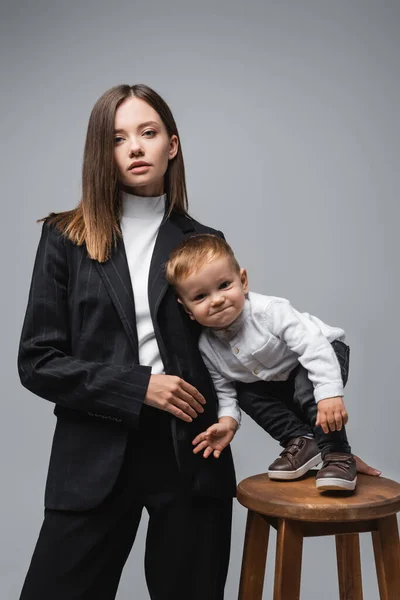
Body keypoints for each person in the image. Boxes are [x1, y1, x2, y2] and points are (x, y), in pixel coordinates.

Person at [17, 84, 237, 600]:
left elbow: (242, 353)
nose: (136, 147)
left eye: (148, 132)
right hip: (93, 453)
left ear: (172, 146)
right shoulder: (65, 238)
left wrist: (322, 438)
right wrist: (139, 387)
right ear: (104, 152)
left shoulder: (203, 242)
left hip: (191, 453)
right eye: (118, 138)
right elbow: (38, 361)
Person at [165, 233, 380, 492]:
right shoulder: (207, 347)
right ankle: (301, 439)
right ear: (187, 309)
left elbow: (313, 347)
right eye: (200, 297)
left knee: (308, 389)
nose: (217, 299)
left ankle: (337, 455)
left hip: (323, 353)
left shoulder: (269, 312)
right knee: (247, 393)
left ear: (242, 281)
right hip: (278, 378)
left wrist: (329, 394)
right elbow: (226, 391)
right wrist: (227, 422)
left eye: (224, 285)